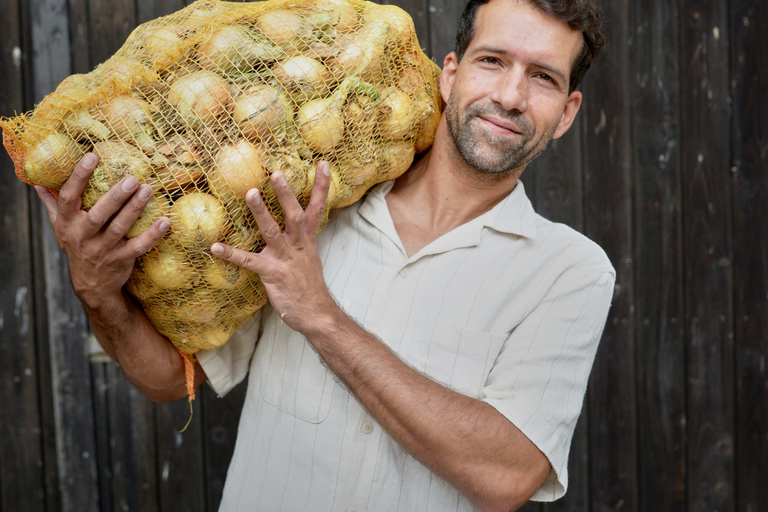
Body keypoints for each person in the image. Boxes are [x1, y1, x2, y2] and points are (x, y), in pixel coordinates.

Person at [36, 0, 613, 509]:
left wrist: (319, 314)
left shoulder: (570, 272)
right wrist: (97, 293)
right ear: (450, 75)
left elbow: (504, 476)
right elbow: (168, 381)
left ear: (566, 112)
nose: (510, 96)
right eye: (493, 60)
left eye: (542, 78)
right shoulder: (310, 200)